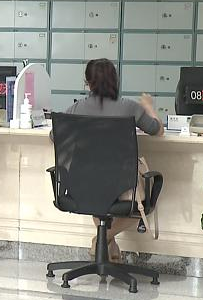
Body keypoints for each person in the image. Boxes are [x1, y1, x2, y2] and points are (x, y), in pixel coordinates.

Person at [61, 58, 163, 263]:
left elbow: (54, 137)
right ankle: (105, 240)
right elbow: (157, 130)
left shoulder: (76, 109)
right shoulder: (129, 107)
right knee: (136, 205)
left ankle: (104, 242)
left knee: (98, 198)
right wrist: (148, 107)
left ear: (88, 83)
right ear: (115, 80)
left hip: (81, 185)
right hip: (122, 185)